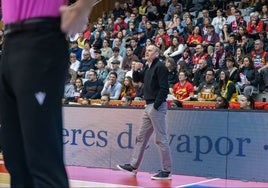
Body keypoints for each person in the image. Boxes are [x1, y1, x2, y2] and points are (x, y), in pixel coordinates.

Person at [0, 0, 99, 187]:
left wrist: (84, 5)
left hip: (41, 37)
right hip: (10, 41)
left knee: (42, 160)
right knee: (16, 158)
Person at [117, 45, 172, 180]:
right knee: (141, 137)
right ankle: (133, 166)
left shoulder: (160, 67)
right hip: (148, 106)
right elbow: (137, 80)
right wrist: (135, 70)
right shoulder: (147, 67)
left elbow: (164, 89)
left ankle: (167, 171)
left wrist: (156, 106)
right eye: (146, 50)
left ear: (157, 54)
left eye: (150, 50)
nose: (147, 52)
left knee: (161, 139)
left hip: (156, 106)